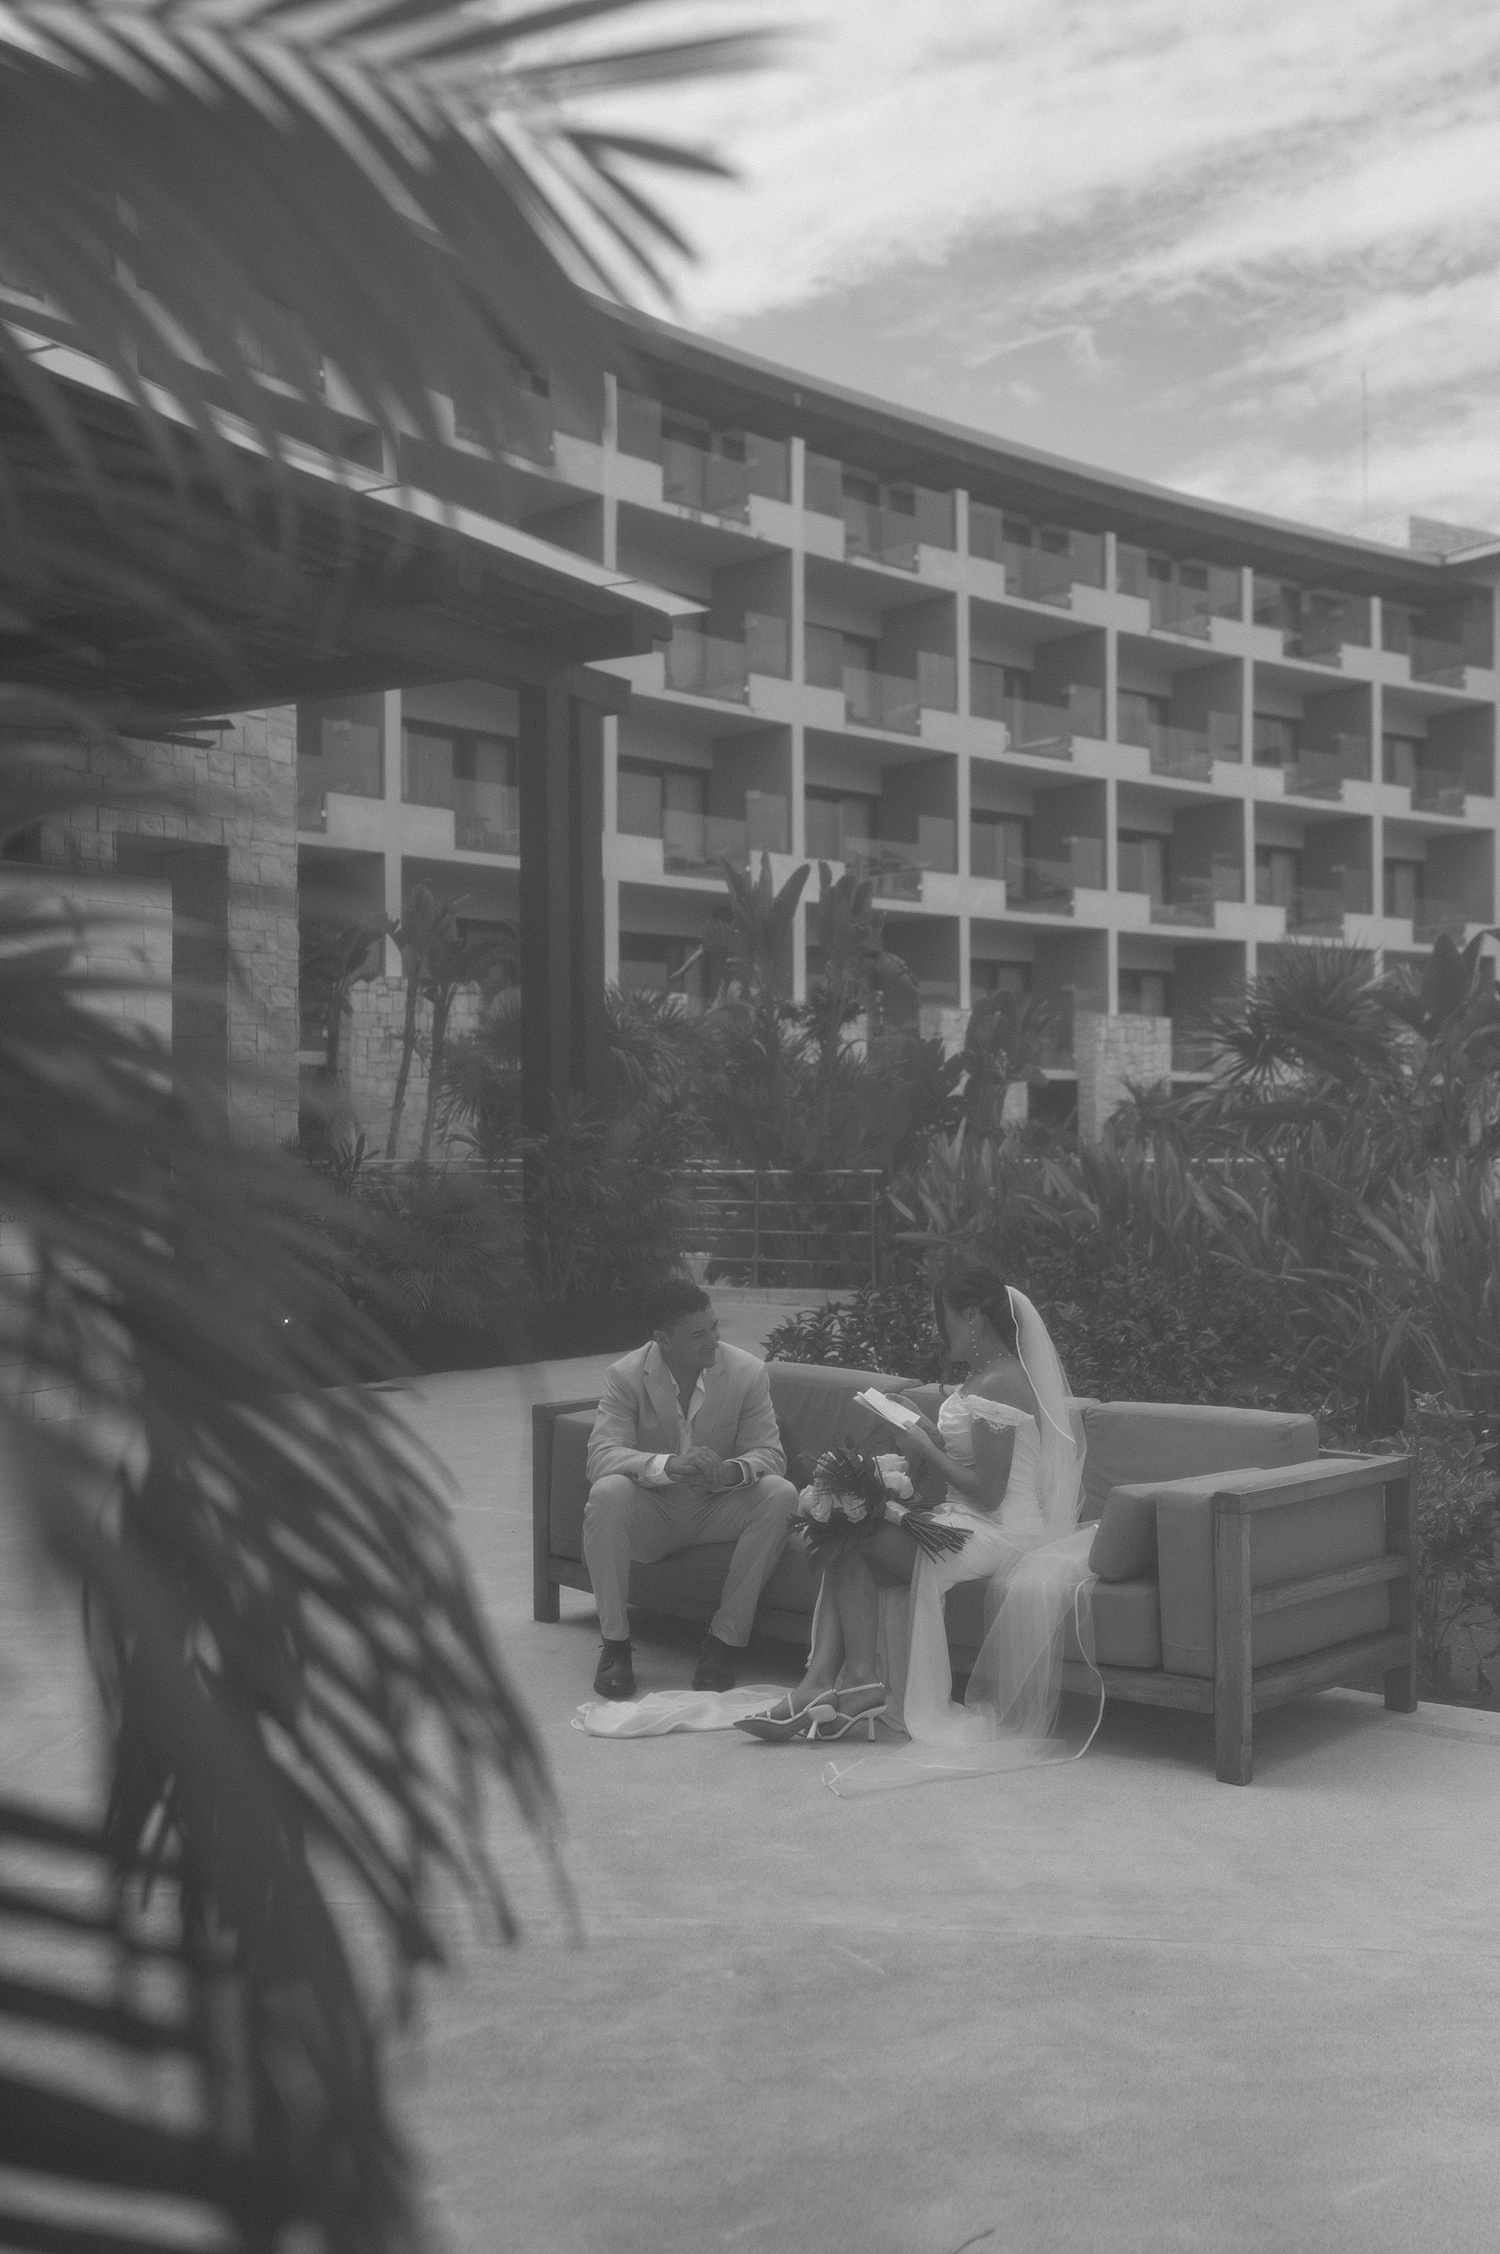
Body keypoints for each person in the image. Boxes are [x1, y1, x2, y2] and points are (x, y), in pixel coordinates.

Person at [737, 1264, 1099, 1783]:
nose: (939, 1332)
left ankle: (848, 1682)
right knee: (844, 1528)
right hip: (965, 1517)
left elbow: (990, 1492)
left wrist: (924, 1445)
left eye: (944, 1319)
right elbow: (968, 1461)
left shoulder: (1003, 1382)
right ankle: (828, 1681)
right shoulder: (980, 1377)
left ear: (972, 1316)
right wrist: (920, 1428)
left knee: (854, 1538)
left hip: (1003, 1529)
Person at [583, 1280, 798, 1701]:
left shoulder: (747, 1371)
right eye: (699, 1335)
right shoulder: (625, 1376)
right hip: (654, 1513)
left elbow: (770, 1454)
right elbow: (600, 1456)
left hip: (717, 1509)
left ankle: (724, 1641)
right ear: (662, 1339)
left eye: (715, 1327)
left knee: (780, 1492)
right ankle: (615, 1646)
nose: (714, 1341)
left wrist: (731, 1472)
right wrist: (667, 1465)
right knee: (607, 1492)